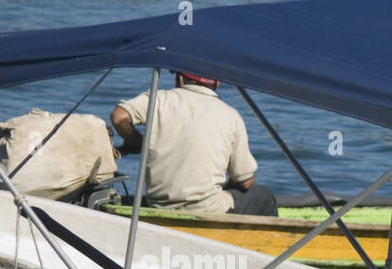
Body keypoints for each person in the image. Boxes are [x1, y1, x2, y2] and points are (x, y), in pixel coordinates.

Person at [110, 72, 277, 215]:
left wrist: (138, 142)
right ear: (216, 84)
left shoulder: (158, 99)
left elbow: (119, 117)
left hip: (159, 205)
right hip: (208, 208)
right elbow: (246, 181)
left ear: (181, 79)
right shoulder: (231, 115)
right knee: (263, 196)